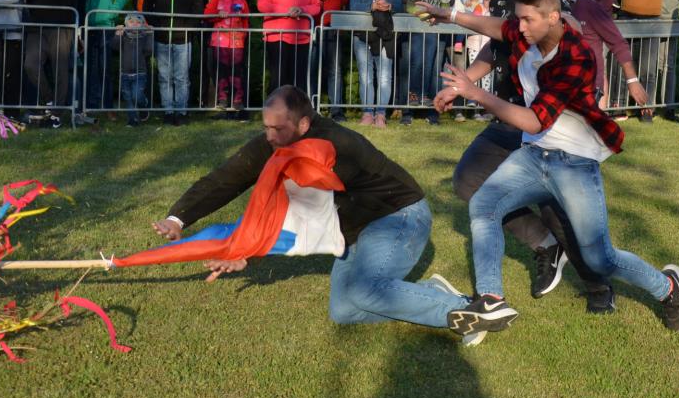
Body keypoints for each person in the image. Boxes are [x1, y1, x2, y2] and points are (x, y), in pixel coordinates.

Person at [432, 0, 679, 341]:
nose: (520, 27)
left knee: (600, 258)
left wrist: (474, 93)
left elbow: (534, 120)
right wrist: (449, 14)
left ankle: (668, 288)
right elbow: (497, 28)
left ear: (553, 17)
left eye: (527, 20)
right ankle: (491, 299)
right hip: (533, 155)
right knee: (483, 205)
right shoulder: (530, 32)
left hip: (574, 164)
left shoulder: (575, 56)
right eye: (519, 19)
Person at [145, 86, 492, 341]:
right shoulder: (277, 140)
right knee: (344, 311)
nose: (269, 137)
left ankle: (467, 310)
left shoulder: (335, 147)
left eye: (277, 129)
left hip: (398, 217)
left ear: (303, 124)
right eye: (265, 127)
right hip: (354, 230)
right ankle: (429, 292)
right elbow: (228, 177)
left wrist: (247, 251)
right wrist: (178, 219)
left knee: (365, 290)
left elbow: (301, 214)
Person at [436, 0, 617, 314]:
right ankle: (545, 245)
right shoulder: (506, 1)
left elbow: (572, 42)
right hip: (508, 115)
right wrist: (461, 84)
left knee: (556, 207)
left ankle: (598, 285)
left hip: (544, 125)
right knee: (468, 180)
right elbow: (496, 43)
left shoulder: (555, 7)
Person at [540, 0, 647, 112]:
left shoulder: (588, 6)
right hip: (555, 86)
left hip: (588, 89)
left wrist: (632, 80)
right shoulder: (542, 11)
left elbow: (617, 43)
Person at [605, 0, 679, 122]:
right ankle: (619, 106)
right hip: (627, 18)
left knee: (648, 69)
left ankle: (646, 109)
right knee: (621, 65)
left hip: (650, 22)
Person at [21, 0, 83, 126]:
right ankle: (49, 101)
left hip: (61, 26)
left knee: (60, 70)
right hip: (37, 25)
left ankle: (56, 114)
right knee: (30, 64)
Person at [144, 0, 205, 125]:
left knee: (181, 77)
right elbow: (147, 7)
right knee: (164, 77)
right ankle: (168, 111)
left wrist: (189, 28)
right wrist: (157, 26)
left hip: (183, 39)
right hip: (162, 38)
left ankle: (182, 111)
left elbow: (198, 8)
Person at [348, 0, 403, 128]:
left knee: (385, 76)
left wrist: (389, 6)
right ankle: (367, 113)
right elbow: (353, 6)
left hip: (386, 35)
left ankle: (380, 114)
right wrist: (371, 6)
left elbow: (400, 6)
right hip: (362, 35)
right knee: (365, 75)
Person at [305, 0, 353, 119]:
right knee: (311, 67)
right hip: (311, 24)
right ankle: (309, 109)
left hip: (334, 23)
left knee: (335, 69)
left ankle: (336, 110)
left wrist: (346, 21)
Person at [257, 0, 318, 97]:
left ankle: (297, 111)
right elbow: (262, 4)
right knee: (278, 79)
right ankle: (275, 110)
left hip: (301, 37)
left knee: (299, 80)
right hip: (277, 35)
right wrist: (286, 11)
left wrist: (302, 10)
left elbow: (316, 6)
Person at [82, 0, 129, 114]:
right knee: (88, 67)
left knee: (104, 67)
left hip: (105, 26)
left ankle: (107, 105)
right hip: (86, 24)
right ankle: (89, 105)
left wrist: (111, 13)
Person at [404, 0, 452, 125]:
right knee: (417, 63)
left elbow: (445, 9)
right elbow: (410, 6)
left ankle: (426, 98)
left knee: (431, 66)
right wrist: (427, 16)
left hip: (434, 30)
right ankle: (413, 95)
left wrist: (436, 17)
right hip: (418, 29)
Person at [204, 0, 251, 114]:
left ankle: (237, 100)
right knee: (222, 71)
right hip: (220, 42)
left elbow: (246, 21)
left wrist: (243, 36)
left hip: (237, 42)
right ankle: (222, 99)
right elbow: (206, 15)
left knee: (237, 71)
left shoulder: (243, 2)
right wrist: (218, 15)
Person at [111, 11, 154, 127]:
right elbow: (115, 47)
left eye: (138, 22)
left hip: (140, 73)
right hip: (125, 74)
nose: (134, 24)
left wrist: (150, 34)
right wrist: (117, 34)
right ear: (126, 23)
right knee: (128, 98)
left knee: (137, 96)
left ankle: (143, 106)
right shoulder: (124, 35)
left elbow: (149, 51)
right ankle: (132, 120)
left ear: (142, 24)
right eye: (131, 22)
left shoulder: (144, 36)